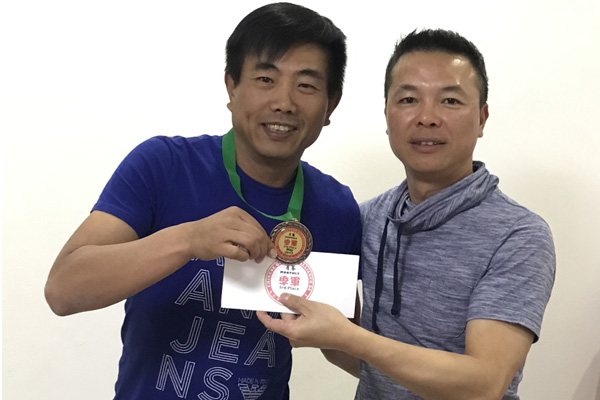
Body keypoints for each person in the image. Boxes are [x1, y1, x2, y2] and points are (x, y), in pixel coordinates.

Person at [44, 3, 361, 399]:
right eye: (265, 78)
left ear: (331, 104)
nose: (284, 102)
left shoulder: (336, 208)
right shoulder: (163, 165)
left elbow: (346, 344)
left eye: (306, 85)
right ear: (232, 88)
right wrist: (188, 240)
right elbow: (63, 289)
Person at [258, 29, 556, 400]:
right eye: (409, 99)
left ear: (482, 118)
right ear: (387, 114)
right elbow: (347, 350)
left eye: (450, 100)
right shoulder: (367, 218)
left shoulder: (519, 235)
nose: (427, 117)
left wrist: (350, 337)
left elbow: (484, 383)